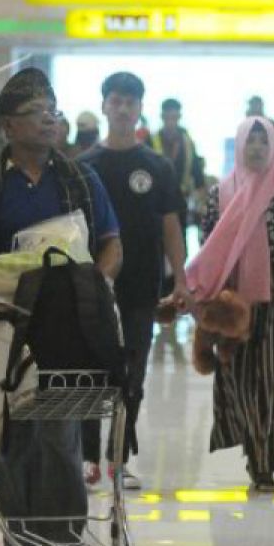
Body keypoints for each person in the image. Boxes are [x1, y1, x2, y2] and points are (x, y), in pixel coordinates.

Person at [0, 67, 122, 546]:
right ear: (8, 127)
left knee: (59, 429)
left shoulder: (82, 180)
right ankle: (20, 537)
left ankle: (62, 540)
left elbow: (112, 242)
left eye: (53, 110)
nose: (48, 119)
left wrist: (98, 284)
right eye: (36, 113)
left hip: (66, 325)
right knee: (10, 433)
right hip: (2, 324)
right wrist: (6, 272)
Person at [186, 117, 274, 493]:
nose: (256, 149)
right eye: (250, 142)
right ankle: (252, 444)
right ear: (238, 146)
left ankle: (264, 461)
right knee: (238, 376)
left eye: (263, 142)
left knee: (272, 377)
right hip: (233, 300)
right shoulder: (221, 193)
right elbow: (208, 246)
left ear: (273, 147)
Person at [79, 73, 192, 491]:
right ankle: (90, 458)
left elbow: (171, 227)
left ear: (140, 108)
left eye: (130, 102)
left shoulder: (156, 167)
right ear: (105, 106)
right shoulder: (85, 166)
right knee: (91, 370)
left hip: (142, 286)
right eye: (116, 101)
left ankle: (119, 458)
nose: (123, 108)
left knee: (133, 372)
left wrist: (180, 279)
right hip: (93, 287)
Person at [149, 97, 199, 233]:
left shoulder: (188, 142)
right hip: (156, 201)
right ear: (162, 116)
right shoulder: (151, 141)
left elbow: (196, 171)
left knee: (180, 237)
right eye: (167, 116)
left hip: (180, 200)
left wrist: (201, 202)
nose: (171, 120)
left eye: (174, 116)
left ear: (179, 117)